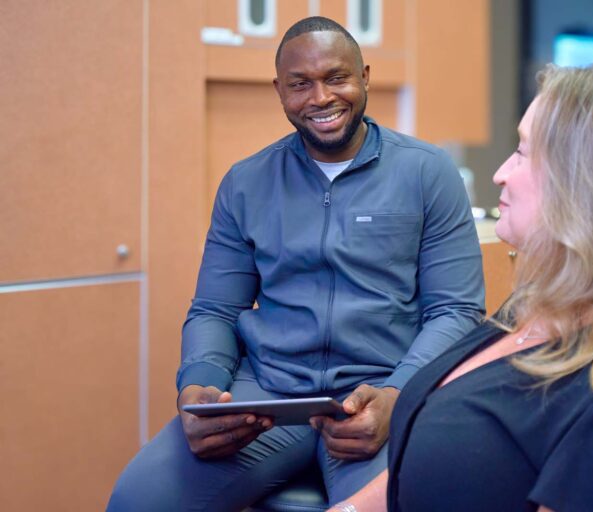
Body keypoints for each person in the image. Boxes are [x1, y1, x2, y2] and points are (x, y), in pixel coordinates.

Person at [332, 60, 593, 511]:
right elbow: (419, 475)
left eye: (522, 151)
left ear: (591, 184)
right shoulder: (530, 311)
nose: (500, 173)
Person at [107, 16, 485, 511]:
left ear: (365, 76)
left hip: (375, 395)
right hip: (267, 397)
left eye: (336, 78)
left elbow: (455, 311)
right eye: (299, 84)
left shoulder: (426, 172)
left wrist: (398, 396)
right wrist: (199, 389)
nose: (320, 98)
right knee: (137, 501)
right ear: (279, 90)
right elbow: (215, 311)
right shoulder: (246, 182)